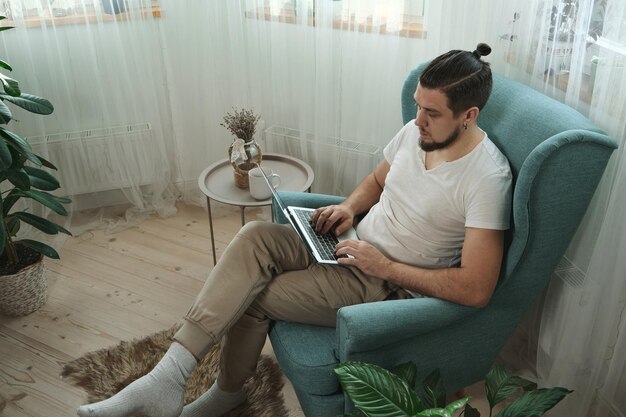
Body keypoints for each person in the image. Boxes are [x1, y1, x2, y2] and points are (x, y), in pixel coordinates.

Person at [76, 42, 512, 417]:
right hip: (349, 244)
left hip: (383, 282)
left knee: (253, 294)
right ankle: (164, 379)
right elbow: (378, 180)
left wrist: (385, 266)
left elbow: (476, 289)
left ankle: (223, 394)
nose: (418, 119)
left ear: (468, 115)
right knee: (253, 238)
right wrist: (348, 207)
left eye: (431, 113)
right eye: (418, 106)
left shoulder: (486, 179)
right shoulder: (416, 134)